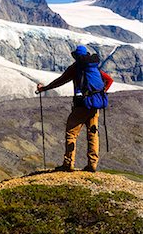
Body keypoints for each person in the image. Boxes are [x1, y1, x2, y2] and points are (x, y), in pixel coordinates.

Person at [36, 45, 113, 173]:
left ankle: (68, 163)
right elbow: (109, 80)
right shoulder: (93, 67)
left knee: (71, 133)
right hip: (95, 105)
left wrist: (44, 89)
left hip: (82, 105)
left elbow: (60, 81)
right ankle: (92, 164)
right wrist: (100, 93)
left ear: (76, 57)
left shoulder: (76, 68)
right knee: (93, 133)